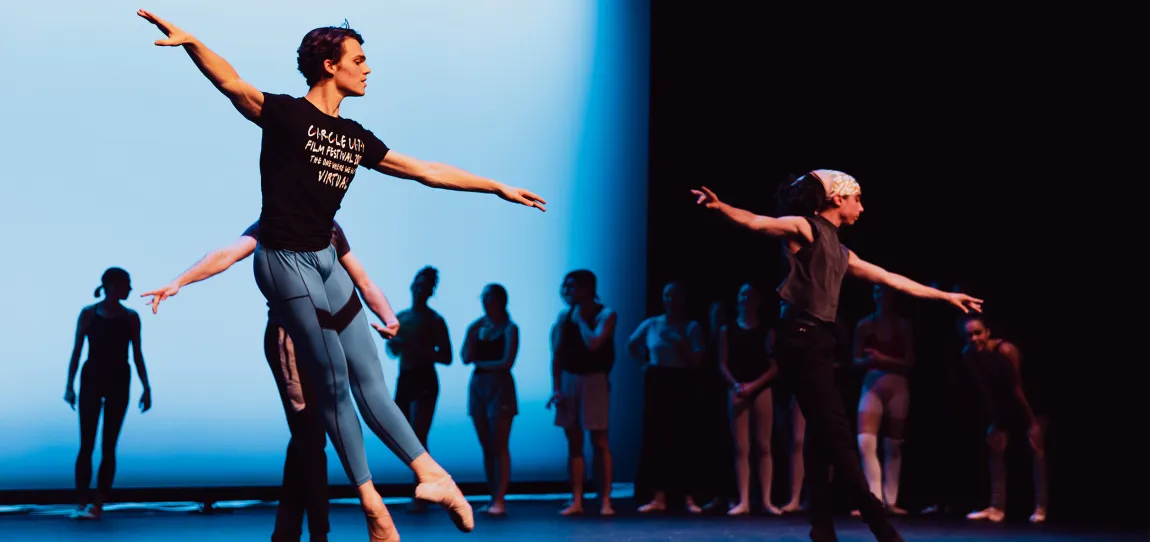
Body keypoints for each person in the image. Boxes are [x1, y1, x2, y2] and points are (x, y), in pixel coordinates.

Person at [138, 9, 547, 539]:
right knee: (333, 385)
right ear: (330, 66)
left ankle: (431, 474)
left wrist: (495, 185)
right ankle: (373, 504)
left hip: (326, 263)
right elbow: (230, 83)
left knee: (372, 381)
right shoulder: (285, 116)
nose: (368, 69)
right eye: (359, 59)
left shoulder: (354, 137)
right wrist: (193, 42)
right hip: (284, 263)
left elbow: (425, 171)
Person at [691, 170, 981, 542]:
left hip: (817, 340)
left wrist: (945, 297)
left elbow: (891, 278)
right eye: (857, 198)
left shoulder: (842, 252)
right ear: (837, 199)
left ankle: (821, 526)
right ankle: (878, 520)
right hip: (799, 337)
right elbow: (758, 222)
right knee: (836, 430)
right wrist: (720, 207)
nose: (861, 206)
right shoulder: (805, 227)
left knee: (819, 434)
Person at [142, 220, 398, 542]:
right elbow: (227, 254)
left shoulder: (330, 227)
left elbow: (363, 280)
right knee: (311, 438)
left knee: (308, 440)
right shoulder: (276, 221)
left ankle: (290, 532)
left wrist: (388, 317)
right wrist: (180, 281)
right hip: (289, 339)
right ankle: (315, 532)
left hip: (325, 339)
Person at [65, 268, 152, 521]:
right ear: (112, 286)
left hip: (118, 381)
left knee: (108, 446)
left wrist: (146, 387)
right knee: (87, 444)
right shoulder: (89, 314)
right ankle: (81, 502)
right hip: (92, 379)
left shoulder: (131, 317)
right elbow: (77, 351)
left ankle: (98, 503)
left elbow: (137, 354)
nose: (130, 289)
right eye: (127, 284)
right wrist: (69, 386)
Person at [959, 315, 1047, 524]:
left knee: (1036, 448)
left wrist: (1032, 423)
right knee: (995, 443)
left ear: (988, 333)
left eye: (978, 333)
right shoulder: (969, 355)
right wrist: (996, 423)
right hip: (1005, 402)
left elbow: (1017, 388)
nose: (974, 339)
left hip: (1030, 400)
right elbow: (985, 391)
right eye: (969, 335)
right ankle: (997, 507)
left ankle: (1041, 507)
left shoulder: (1005, 351)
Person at [628, 281, 707, 514]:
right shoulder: (653, 323)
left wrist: (679, 341)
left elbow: (697, 361)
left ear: (683, 300)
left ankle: (690, 497)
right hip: (658, 382)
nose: (671, 301)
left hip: (682, 382)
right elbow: (631, 344)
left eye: (675, 296)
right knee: (658, 440)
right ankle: (658, 496)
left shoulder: (691, 327)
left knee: (684, 441)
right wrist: (644, 363)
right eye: (667, 296)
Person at [547, 270, 617, 516]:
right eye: (564, 287)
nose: (566, 292)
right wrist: (556, 388)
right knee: (574, 442)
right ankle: (576, 499)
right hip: (569, 380)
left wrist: (580, 321)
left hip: (594, 380)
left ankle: (605, 500)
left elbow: (595, 343)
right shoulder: (563, 316)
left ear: (587, 288)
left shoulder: (605, 314)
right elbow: (556, 354)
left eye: (572, 287)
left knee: (599, 441)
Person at [386, 266, 452, 513]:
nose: (420, 289)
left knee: (419, 438)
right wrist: (395, 344)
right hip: (406, 378)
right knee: (407, 437)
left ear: (430, 291)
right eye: (417, 284)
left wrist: (415, 348)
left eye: (425, 286)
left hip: (424, 379)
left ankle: (424, 492)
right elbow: (393, 351)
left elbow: (446, 356)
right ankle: (424, 488)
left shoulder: (435, 320)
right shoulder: (402, 317)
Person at [718, 283, 781, 515]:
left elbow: (775, 367)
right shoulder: (728, 330)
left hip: (760, 388)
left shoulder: (767, 332)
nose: (746, 298)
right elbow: (722, 363)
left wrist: (754, 386)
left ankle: (766, 500)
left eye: (750, 294)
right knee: (741, 447)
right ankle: (743, 501)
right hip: (737, 388)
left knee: (764, 445)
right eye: (742, 293)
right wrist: (736, 385)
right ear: (738, 299)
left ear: (757, 300)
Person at [852, 285, 914, 515]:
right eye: (876, 291)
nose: (881, 296)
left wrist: (882, 358)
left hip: (897, 386)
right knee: (865, 442)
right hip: (872, 384)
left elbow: (909, 362)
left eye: (885, 292)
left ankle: (891, 500)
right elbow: (855, 360)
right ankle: (874, 499)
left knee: (893, 444)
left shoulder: (902, 325)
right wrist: (871, 361)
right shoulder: (865, 325)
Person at [460, 284, 520, 516]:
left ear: (500, 300)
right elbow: (465, 357)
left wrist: (480, 363)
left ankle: (500, 498)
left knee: (500, 443)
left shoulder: (510, 328)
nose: (485, 302)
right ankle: (492, 495)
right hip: (478, 385)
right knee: (486, 444)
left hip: (500, 385)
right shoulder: (477, 327)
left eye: (489, 297)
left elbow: (506, 362)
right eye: (483, 297)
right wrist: (471, 333)